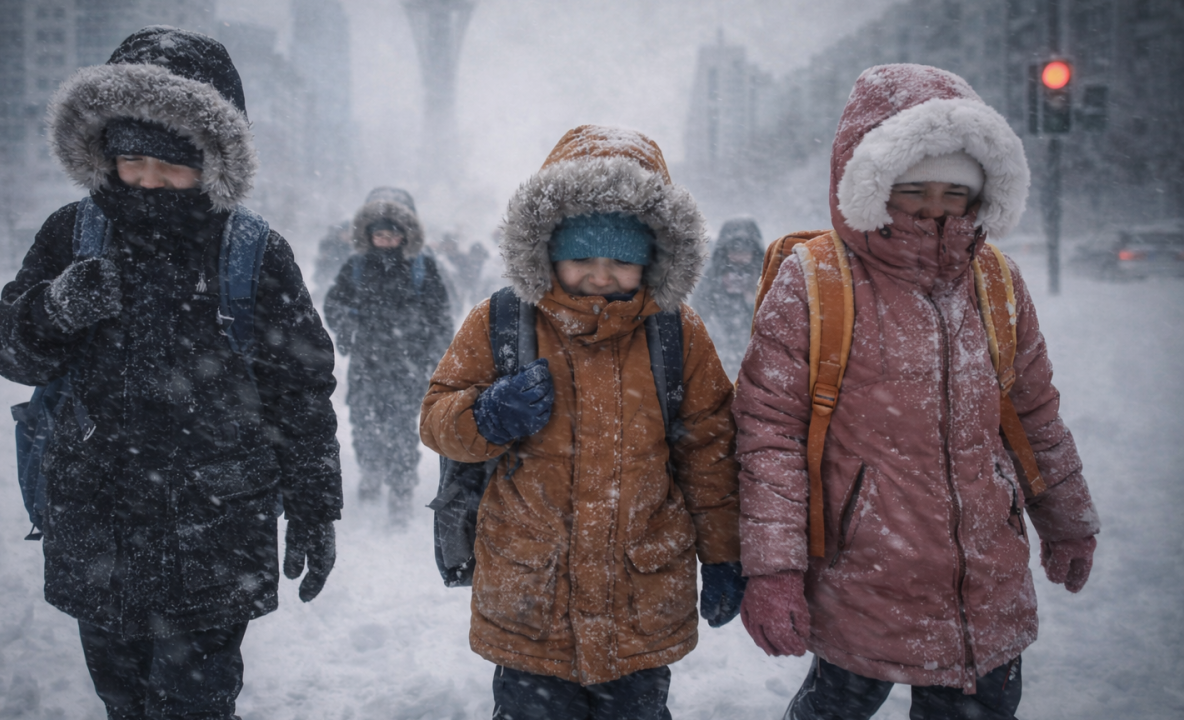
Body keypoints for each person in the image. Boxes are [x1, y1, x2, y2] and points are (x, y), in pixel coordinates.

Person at [0, 26, 342, 720]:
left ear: (211, 160)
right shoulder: (71, 234)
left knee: (197, 702)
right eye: (132, 158)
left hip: (215, 536)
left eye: (172, 164)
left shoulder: (253, 252)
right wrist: (54, 311)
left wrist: (316, 508)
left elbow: (300, 393)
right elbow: (5, 349)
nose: (147, 180)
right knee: (122, 699)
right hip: (97, 530)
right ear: (105, 150)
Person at [733, 64, 1100, 719]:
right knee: (835, 704)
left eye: (955, 190)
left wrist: (1067, 522)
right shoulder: (816, 283)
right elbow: (769, 436)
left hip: (984, 578)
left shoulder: (995, 283)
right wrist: (773, 572)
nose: (935, 207)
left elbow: (1033, 414)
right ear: (873, 184)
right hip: (863, 576)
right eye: (913, 188)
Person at [420, 125, 746, 719]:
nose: (600, 276)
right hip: (531, 597)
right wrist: (486, 414)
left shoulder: (677, 333)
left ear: (654, 258)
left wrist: (724, 553)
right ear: (547, 252)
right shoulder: (502, 321)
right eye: (581, 258)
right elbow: (437, 419)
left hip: (639, 597)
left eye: (621, 260)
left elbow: (709, 452)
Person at [323, 187, 452, 524]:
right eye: (378, 234)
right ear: (368, 235)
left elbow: (441, 316)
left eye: (392, 234)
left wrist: (432, 356)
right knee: (363, 423)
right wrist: (348, 332)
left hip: (406, 367)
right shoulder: (355, 266)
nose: (385, 240)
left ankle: (400, 488)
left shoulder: (422, 269)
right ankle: (370, 469)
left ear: (405, 234)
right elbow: (334, 303)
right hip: (366, 363)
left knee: (399, 429)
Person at [691, 217, 764, 378]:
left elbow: (774, 322)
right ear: (725, 251)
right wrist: (719, 291)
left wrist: (752, 298)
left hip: (754, 357)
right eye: (734, 250)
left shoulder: (764, 277)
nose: (739, 256)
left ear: (754, 252)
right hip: (718, 354)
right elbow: (697, 314)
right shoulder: (713, 278)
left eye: (745, 250)